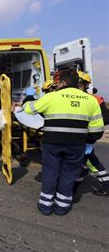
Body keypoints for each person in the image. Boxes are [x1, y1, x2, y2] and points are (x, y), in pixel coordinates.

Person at [23, 68, 104, 216]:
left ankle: (46, 206)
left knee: (50, 172)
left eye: (59, 82)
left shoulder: (52, 97)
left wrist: (29, 97)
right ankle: (62, 207)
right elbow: (97, 129)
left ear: (63, 82)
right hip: (76, 145)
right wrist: (89, 141)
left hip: (52, 143)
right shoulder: (91, 100)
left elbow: (28, 109)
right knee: (69, 174)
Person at [74, 72, 109, 196]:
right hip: (77, 136)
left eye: (78, 84)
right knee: (88, 161)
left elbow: (106, 118)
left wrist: (88, 126)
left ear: (85, 85)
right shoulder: (70, 98)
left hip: (86, 137)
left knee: (84, 162)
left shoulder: (95, 99)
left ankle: (72, 189)